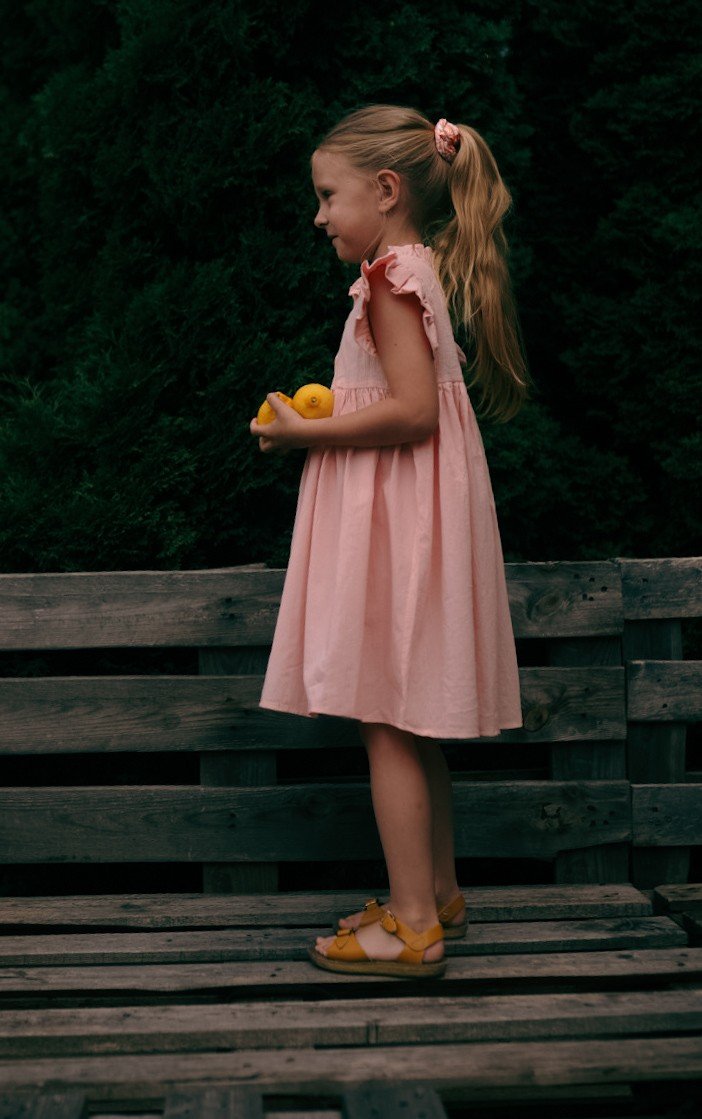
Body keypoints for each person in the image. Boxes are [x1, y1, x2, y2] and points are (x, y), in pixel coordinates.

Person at [249, 104, 530, 979]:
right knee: (410, 716)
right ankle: (437, 890)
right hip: (413, 512)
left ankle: (414, 926)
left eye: (330, 196)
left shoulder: (388, 278)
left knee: (386, 717)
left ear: (386, 189)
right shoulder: (417, 267)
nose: (319, 214)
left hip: (399, 521)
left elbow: (410, 414)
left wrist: (301, 436)